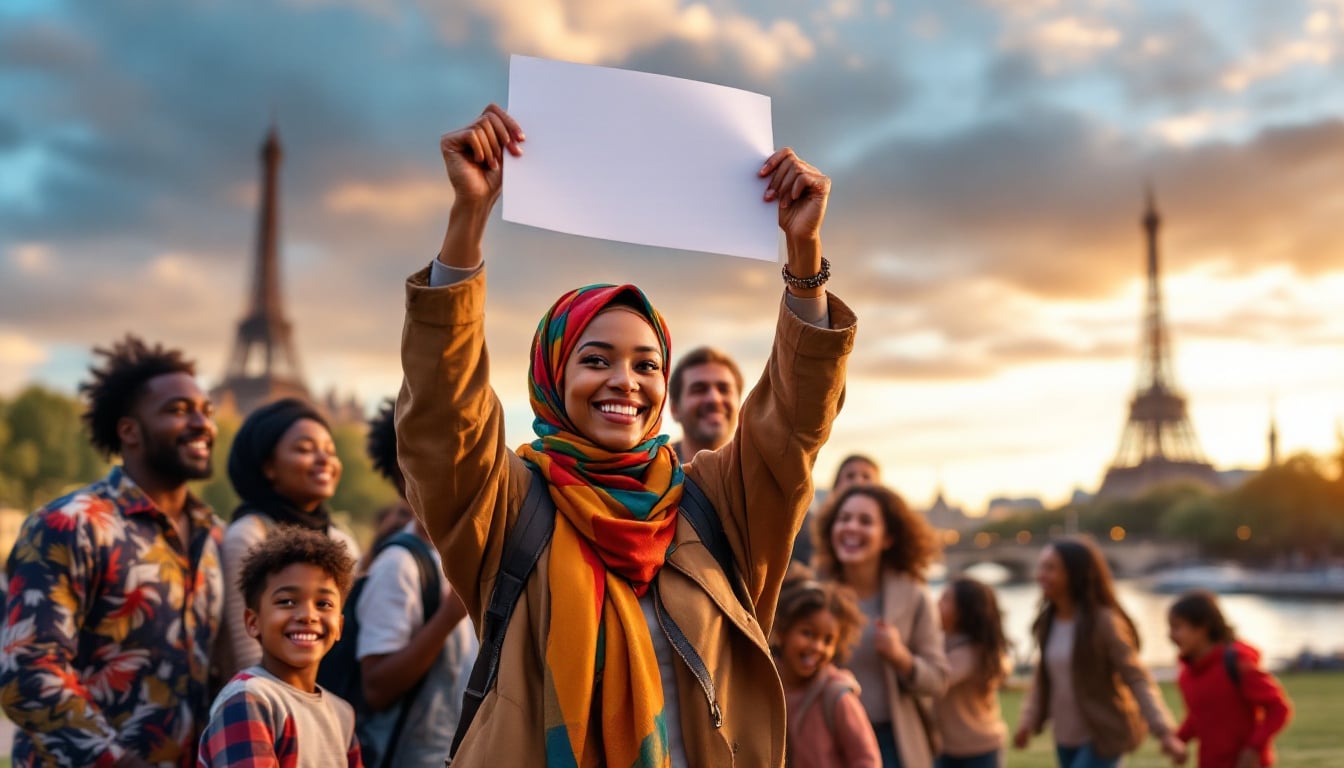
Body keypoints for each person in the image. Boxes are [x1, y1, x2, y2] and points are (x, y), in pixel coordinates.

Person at [396, 103, 856, 767]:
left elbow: (793, 423)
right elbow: (446, 416)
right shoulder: (508, 505)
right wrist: (467, 219)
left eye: (647, 364)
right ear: (552, 376)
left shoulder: (712, 502)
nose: (626, 381)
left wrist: (803, 255)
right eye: (595, 360)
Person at [0, 335, 224, 768]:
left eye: (207, 411)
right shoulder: (70, 524)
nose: (202, 423)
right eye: (179, 410)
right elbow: (29, 674)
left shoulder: (215, 537)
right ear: (129, 431)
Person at [353, 397, 474, 767]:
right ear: (405, 474)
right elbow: (376, 687)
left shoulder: (463, 556)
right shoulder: (399, 565)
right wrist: (449, 616)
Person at [215, 397, 360, 682]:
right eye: (305, 449)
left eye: (330, 451)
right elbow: (248, 651)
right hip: (267, 705)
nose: (324, 460)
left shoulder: (342, 540)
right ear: (268, 466)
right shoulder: (249, 534)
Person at [198, 528, 363, 767]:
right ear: (253, 623)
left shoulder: (342, 715)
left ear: (338, 625)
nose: (308, 615)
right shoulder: (250, 699)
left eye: (323, 603)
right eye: (287, 601)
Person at [1013, 537, 1184, 768]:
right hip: (1064, 736)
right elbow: (1045, 677)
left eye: (1050, 568)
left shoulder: (1104, 623)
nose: (1040, 575)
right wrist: (1028, 722)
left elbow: (1136, 678)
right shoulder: (1048, 621)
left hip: (1102, 736)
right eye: (1041, 567)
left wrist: (1163, 731)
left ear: (1075, 574)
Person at [812, 483, 948, 768]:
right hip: (827, 738)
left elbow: (938, 680)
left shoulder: (913, 594)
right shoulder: (813, 592)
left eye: (865, 521)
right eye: (844, 518)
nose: (851, 527)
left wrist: (901, 657)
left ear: (888, 538)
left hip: (893, 742)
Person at [1167, 590, 1291, 768]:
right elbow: (1201, 715)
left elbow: (1278, 709)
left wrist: (1253, 748)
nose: (1170, 635)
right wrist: (1179, 739)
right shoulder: (1187, 674)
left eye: (1177, 627)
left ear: (1202, 628)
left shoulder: (1237, 663)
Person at [772, 568, 880, 768]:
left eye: (828, 640)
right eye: (808, 633)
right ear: (782, 630)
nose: (818, 647)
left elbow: (867, 759)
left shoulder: (838, 697)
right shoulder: (765, 687)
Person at [935, 577, 1010, 768]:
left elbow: (935, 679)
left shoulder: (971, 653)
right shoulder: (942, 642)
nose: (936, 602)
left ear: (963, 611)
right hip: (946, 748)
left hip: (978, 750)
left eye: (945, 599)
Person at [794, 453, 882, 565]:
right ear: (836, 484)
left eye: (866, 477)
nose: (858, 481)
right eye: (850, 476)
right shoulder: (808, 525)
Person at [668, 346, 744, 462]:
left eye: (724, 389)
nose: (714, 399)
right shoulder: (647, 475)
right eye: (699, 389)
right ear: (674, 409)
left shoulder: (763, 472)